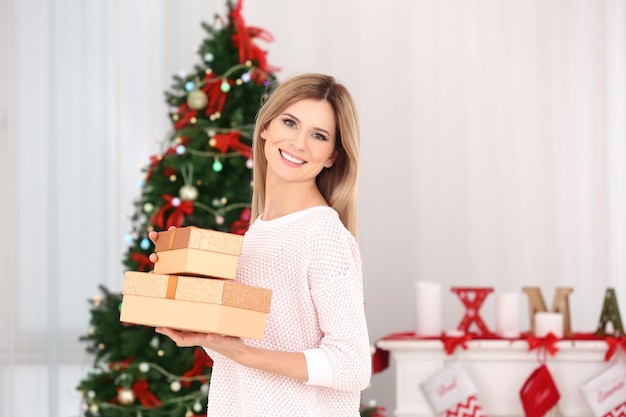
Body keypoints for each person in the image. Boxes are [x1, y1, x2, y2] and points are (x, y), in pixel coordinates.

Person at [149, 73, 371, 416]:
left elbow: (353, 364)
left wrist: (244, 354)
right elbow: (248, 347)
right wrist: (185, 297)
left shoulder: (322, 233)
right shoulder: (258, 232)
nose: (299, 142)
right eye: (290, 122)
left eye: (318, 135)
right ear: (266, 127)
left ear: (332, 156)